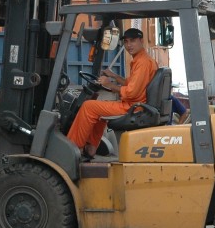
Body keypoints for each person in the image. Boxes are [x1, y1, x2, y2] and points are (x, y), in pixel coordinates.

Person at [67, 27, 158, 159]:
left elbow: (131, 92)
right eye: (126, 42)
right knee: (100, 108)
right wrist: (114, 76)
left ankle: (73, 149)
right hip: (135, 105)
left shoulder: (143, 63)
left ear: (141, 41)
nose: (128, 45)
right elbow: (130, 83)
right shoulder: (142, 60)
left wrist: (108, 84)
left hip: (133, 107)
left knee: (88, 107)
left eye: (132, 41)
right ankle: (91, 147)